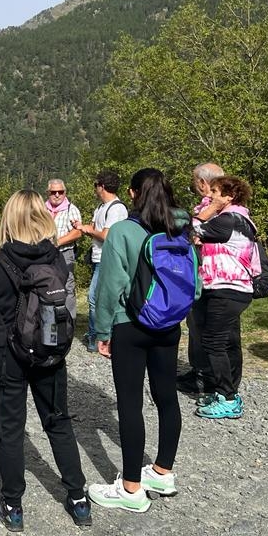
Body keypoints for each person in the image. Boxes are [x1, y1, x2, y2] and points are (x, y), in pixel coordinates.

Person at [0, 190, 91, 531]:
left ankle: (13, 505)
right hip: (49, 349)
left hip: (6, 352)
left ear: (8, 220)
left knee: (9, 429)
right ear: (43, 217)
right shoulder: (55, 258)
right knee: (58, 421)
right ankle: (78, 499)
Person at [88, 168, 190, 512]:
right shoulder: (179, 228)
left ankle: (131, 488)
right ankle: (162, 472)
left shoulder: (122, 231)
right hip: (169, 324)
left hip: (130, 325)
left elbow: (110, 287)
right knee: (166, 397)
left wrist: (101, 331)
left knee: (130, 403)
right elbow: (196, 284)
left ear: (132, 193)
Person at [191, 175, 258, 420]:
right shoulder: (235, 219)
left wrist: (208, 210)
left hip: (228, 289)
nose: (211, 196)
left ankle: (228, 397)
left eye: (217, 192)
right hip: (227, 288)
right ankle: (226, 392)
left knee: (213, 342)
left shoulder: (229, 219)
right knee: (223, 341)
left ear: (229, 196)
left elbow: (193, 226)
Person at [178, 162, 224, 396]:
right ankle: (206, 373)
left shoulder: (211, 208)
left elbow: (193, 229)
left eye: (196, 181)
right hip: (220, 276)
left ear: (203, 183)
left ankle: (202, 375)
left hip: (205, 274)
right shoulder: (232, 206)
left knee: (199, 324)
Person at [74, 170, 127, 352]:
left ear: (102, 186)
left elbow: (106, 235)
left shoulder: (117, 208)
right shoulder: (101, 208)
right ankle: (99, 335)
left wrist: (88, 229)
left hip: (108, 260)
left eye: (96, 185)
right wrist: (85, 228)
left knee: (95, 298)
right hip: (98, 258)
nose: (95, 189)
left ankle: (98, 336)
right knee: (98, 298)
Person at [45, 179, 82, 323]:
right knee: (46, 284)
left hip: (65, 253)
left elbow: (78, 232)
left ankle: (69, 322)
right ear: (48, 193)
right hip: (45, 254)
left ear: (65, 192)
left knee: (67, 286)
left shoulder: (71, 209)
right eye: (53, 192)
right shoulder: (42, 209)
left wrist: (58, 242)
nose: (57, 195)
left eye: (60, 192)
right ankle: (49, 318)